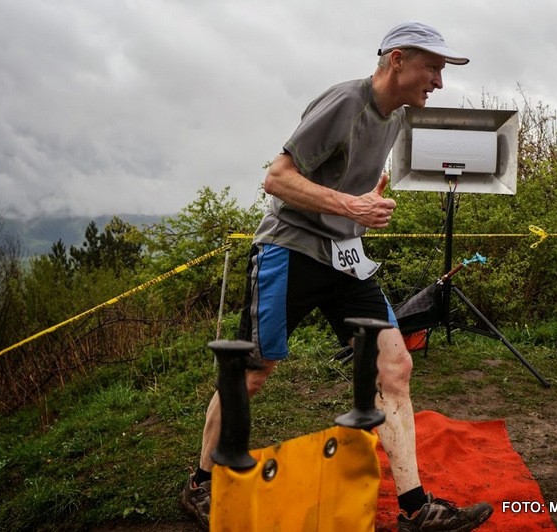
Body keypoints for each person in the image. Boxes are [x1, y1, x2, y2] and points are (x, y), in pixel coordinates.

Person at [182, 21, 494, 532]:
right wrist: (352, 205)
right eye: (433, 68)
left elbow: (354, 177)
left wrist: (364, 203)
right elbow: (276, 178)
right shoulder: (346, 101)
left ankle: (416, 509)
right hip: (290, 249)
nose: (439, 81)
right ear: (397, 60)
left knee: (394, 366)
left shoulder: (396, 116)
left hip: (345, 258)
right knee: (253, 372)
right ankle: (200, 484)